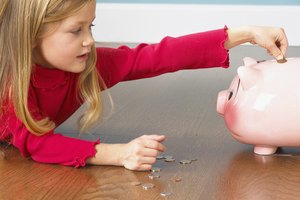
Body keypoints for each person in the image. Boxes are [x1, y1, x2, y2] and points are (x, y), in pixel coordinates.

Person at [0, 0, 288, 170]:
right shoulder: (11, 84)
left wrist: (247, 33)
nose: (89, 40)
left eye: (91, 27)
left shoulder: (87, 64)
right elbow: (37, 144)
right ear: (32, 36)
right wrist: (119, 153)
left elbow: (157, 55)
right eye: (76, 30)